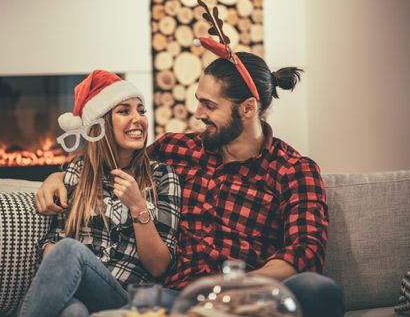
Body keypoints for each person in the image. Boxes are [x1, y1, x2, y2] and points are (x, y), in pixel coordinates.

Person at [35, 50, 344, 316]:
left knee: (317, 288)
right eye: (199, 102)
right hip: (176, 298)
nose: (198, 114)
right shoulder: (175, 150)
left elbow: (306, 251)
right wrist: (58, 175)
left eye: (209, 106)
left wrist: (233, 289)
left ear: (248, 108)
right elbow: (112, 163)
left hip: (247, 298)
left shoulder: (293, 170)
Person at [20, 70, 181, 317]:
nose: (138, 118)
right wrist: (56, 261)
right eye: (124, 111)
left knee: (70, 250)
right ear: (101, 123)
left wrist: (138, 206)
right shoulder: (77, 173)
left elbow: (159, 267)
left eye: (141, 110)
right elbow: (56, 236)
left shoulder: (161, 177)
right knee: (73, 311)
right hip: (84, 286)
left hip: (127, 293)